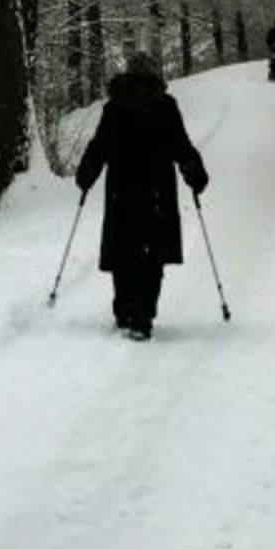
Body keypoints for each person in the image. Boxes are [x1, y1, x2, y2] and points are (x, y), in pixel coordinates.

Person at [74, 52, 208, 340]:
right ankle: (143, 315)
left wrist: (86, 175)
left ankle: (124, 310)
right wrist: (195, 174)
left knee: (124, 251)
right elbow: (180, 146)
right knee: (152, 253)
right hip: (156, 191)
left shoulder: (114, 108)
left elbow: (99, 147)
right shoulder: (165, 106)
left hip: (122, 192)